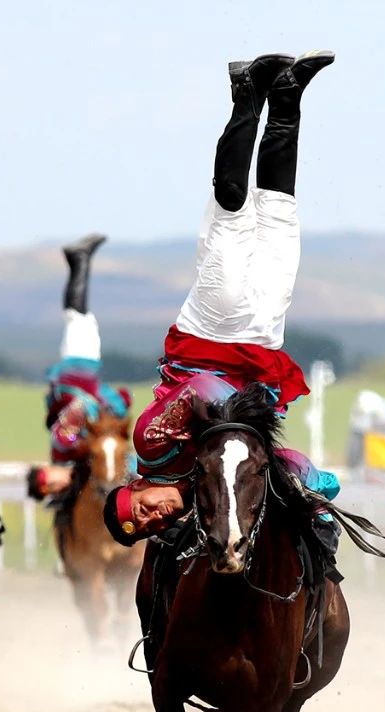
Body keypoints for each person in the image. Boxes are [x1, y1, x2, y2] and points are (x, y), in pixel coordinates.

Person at [103, 51, 343, 546]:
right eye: (148, 528)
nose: (153, 519)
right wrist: (312, 485)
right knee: (279, 212)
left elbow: (200, 390)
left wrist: (247, 412)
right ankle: (288, 98)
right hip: (262, 338)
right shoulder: (211, 489)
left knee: (232, 212)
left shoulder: (151, 446)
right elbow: (314, 475)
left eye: (139, 512)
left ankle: (246, 95)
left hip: (209, 334)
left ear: (135, 489)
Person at [26, 233, 133, 501]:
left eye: (47, 482)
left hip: (78, 378)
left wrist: (107, 409)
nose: (55, 485)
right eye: (50, 489)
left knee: (79, 321)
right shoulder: (71, 459)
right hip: (79, 379)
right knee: (81, 321)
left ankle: (79, 259)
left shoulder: (64, 446)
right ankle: (79, 261)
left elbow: (80, 409)